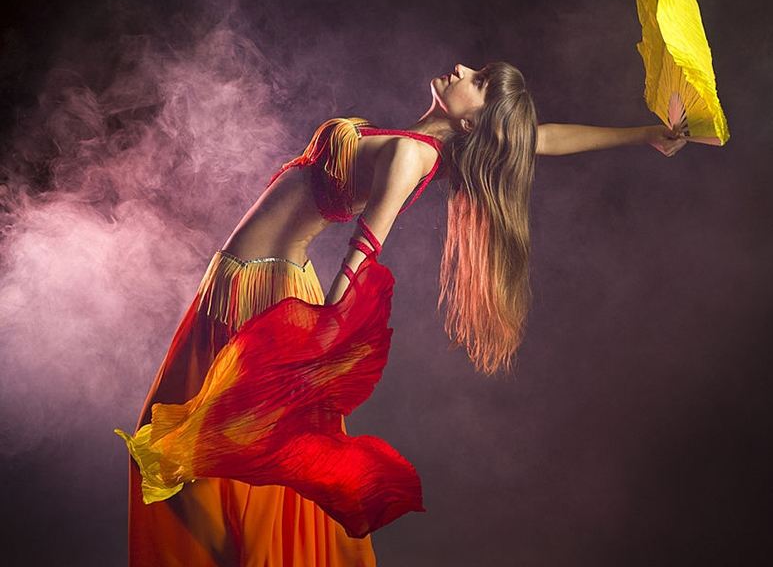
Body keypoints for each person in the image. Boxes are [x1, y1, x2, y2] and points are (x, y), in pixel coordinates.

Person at [117, 61, 685, 566]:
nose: (461, 69)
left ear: (471, 124)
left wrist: (320, 339)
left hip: (264, 300)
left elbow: (365, 248)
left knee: (192, 458)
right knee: (197, 459)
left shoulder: (414, 155)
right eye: (476, 70)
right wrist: (645, 133)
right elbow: (538, 139)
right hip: (239, 285)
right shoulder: (419, 142)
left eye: (478, 82)